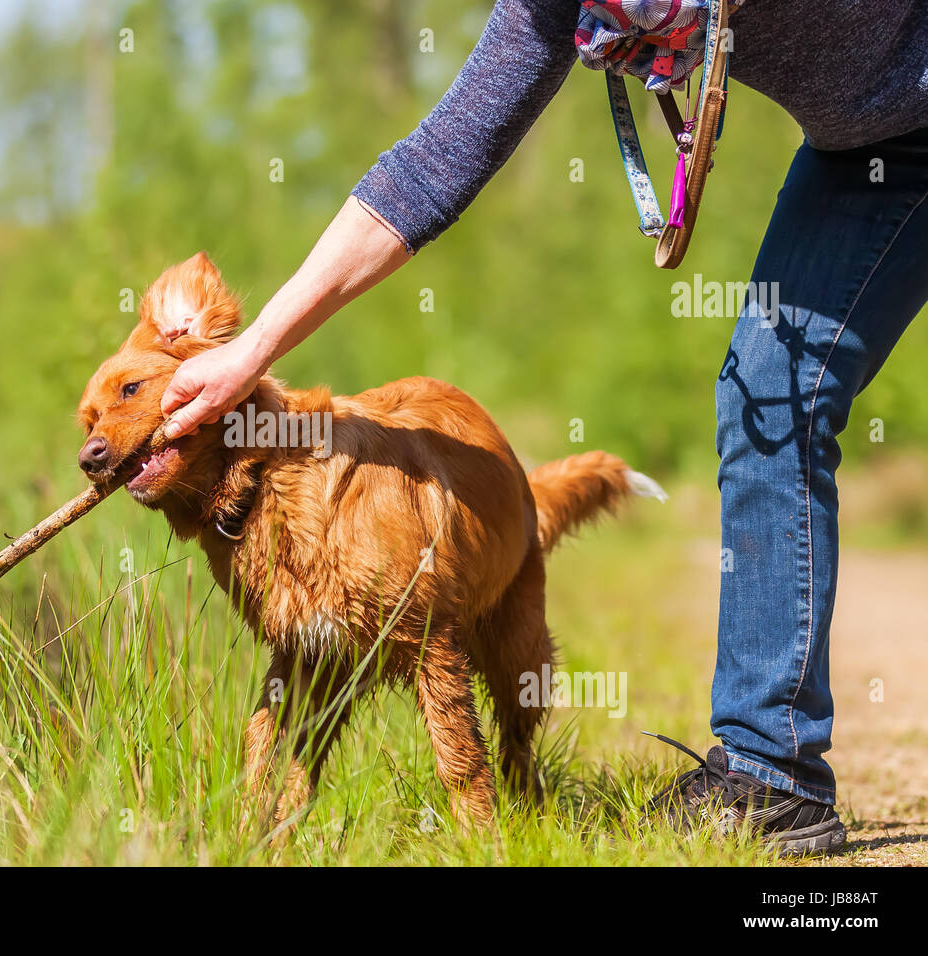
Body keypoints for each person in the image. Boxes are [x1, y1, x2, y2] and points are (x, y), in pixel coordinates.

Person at [159, 0, 928, 855]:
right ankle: (771, 775)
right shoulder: (551, 8)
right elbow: (429, 170)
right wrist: (250, 352)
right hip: (874, 155)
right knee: (771, 391)